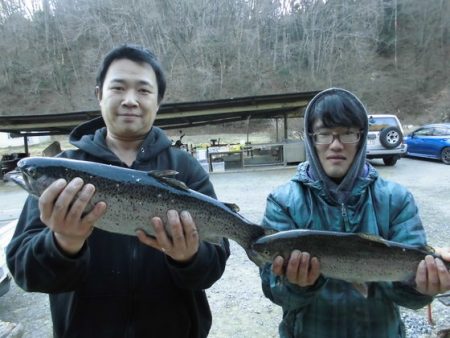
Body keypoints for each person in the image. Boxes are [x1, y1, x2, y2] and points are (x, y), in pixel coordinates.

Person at [7, 44, 230, 338]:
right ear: (99, 95)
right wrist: (63, 243)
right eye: (118, 88)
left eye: (143, 90)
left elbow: (212, 268)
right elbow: (26, 272)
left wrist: (189, 257)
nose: (130, 100)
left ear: (158, 101)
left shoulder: (187, 169)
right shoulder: (62, 173)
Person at [259, 88, 450, 338]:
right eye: (324, 134)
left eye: (347, 133)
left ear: (360, 138)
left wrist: (422, 289)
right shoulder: (283, 202)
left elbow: (409, 299)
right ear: (311, 138)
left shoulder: (397, 199)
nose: (336, 145)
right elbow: (275, 292)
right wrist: (298, 287)